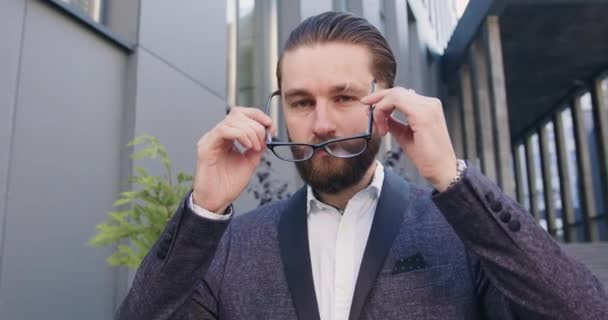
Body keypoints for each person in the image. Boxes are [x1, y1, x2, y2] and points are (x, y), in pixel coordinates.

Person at [115, 11, 607, 320]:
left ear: (387, 101)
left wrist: (453, 180)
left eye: (344, 97)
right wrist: (203, 210)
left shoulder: (460, 231)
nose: (322, 123)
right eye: (301, 102)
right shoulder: (231, 246)